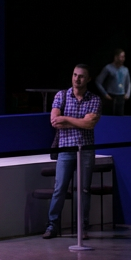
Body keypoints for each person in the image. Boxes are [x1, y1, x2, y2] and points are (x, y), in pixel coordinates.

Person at [45, 63, 102, 239]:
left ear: (88, 79)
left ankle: (82, 227)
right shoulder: (61, 96)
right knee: (59, 189)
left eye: (81, 76)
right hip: (66, 149)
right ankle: (52, 226)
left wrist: (66, 119)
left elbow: (89, 124)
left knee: (83, 190)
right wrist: (78, 121)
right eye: (75, 75)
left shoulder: (94, 100)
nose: (77, 79)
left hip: (85, 150)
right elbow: (55, 121)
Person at [96, 49, 130, 115]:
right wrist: (105, 94)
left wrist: (127, 93)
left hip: (121, 97)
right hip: (110, 96)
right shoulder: (108, 68)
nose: (122, 59)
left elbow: (128, 83)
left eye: (123, 57)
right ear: (116, 57)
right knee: (109, 116)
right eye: (121, 57)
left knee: (120, 117)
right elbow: (98, 81)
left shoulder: (125, 69)